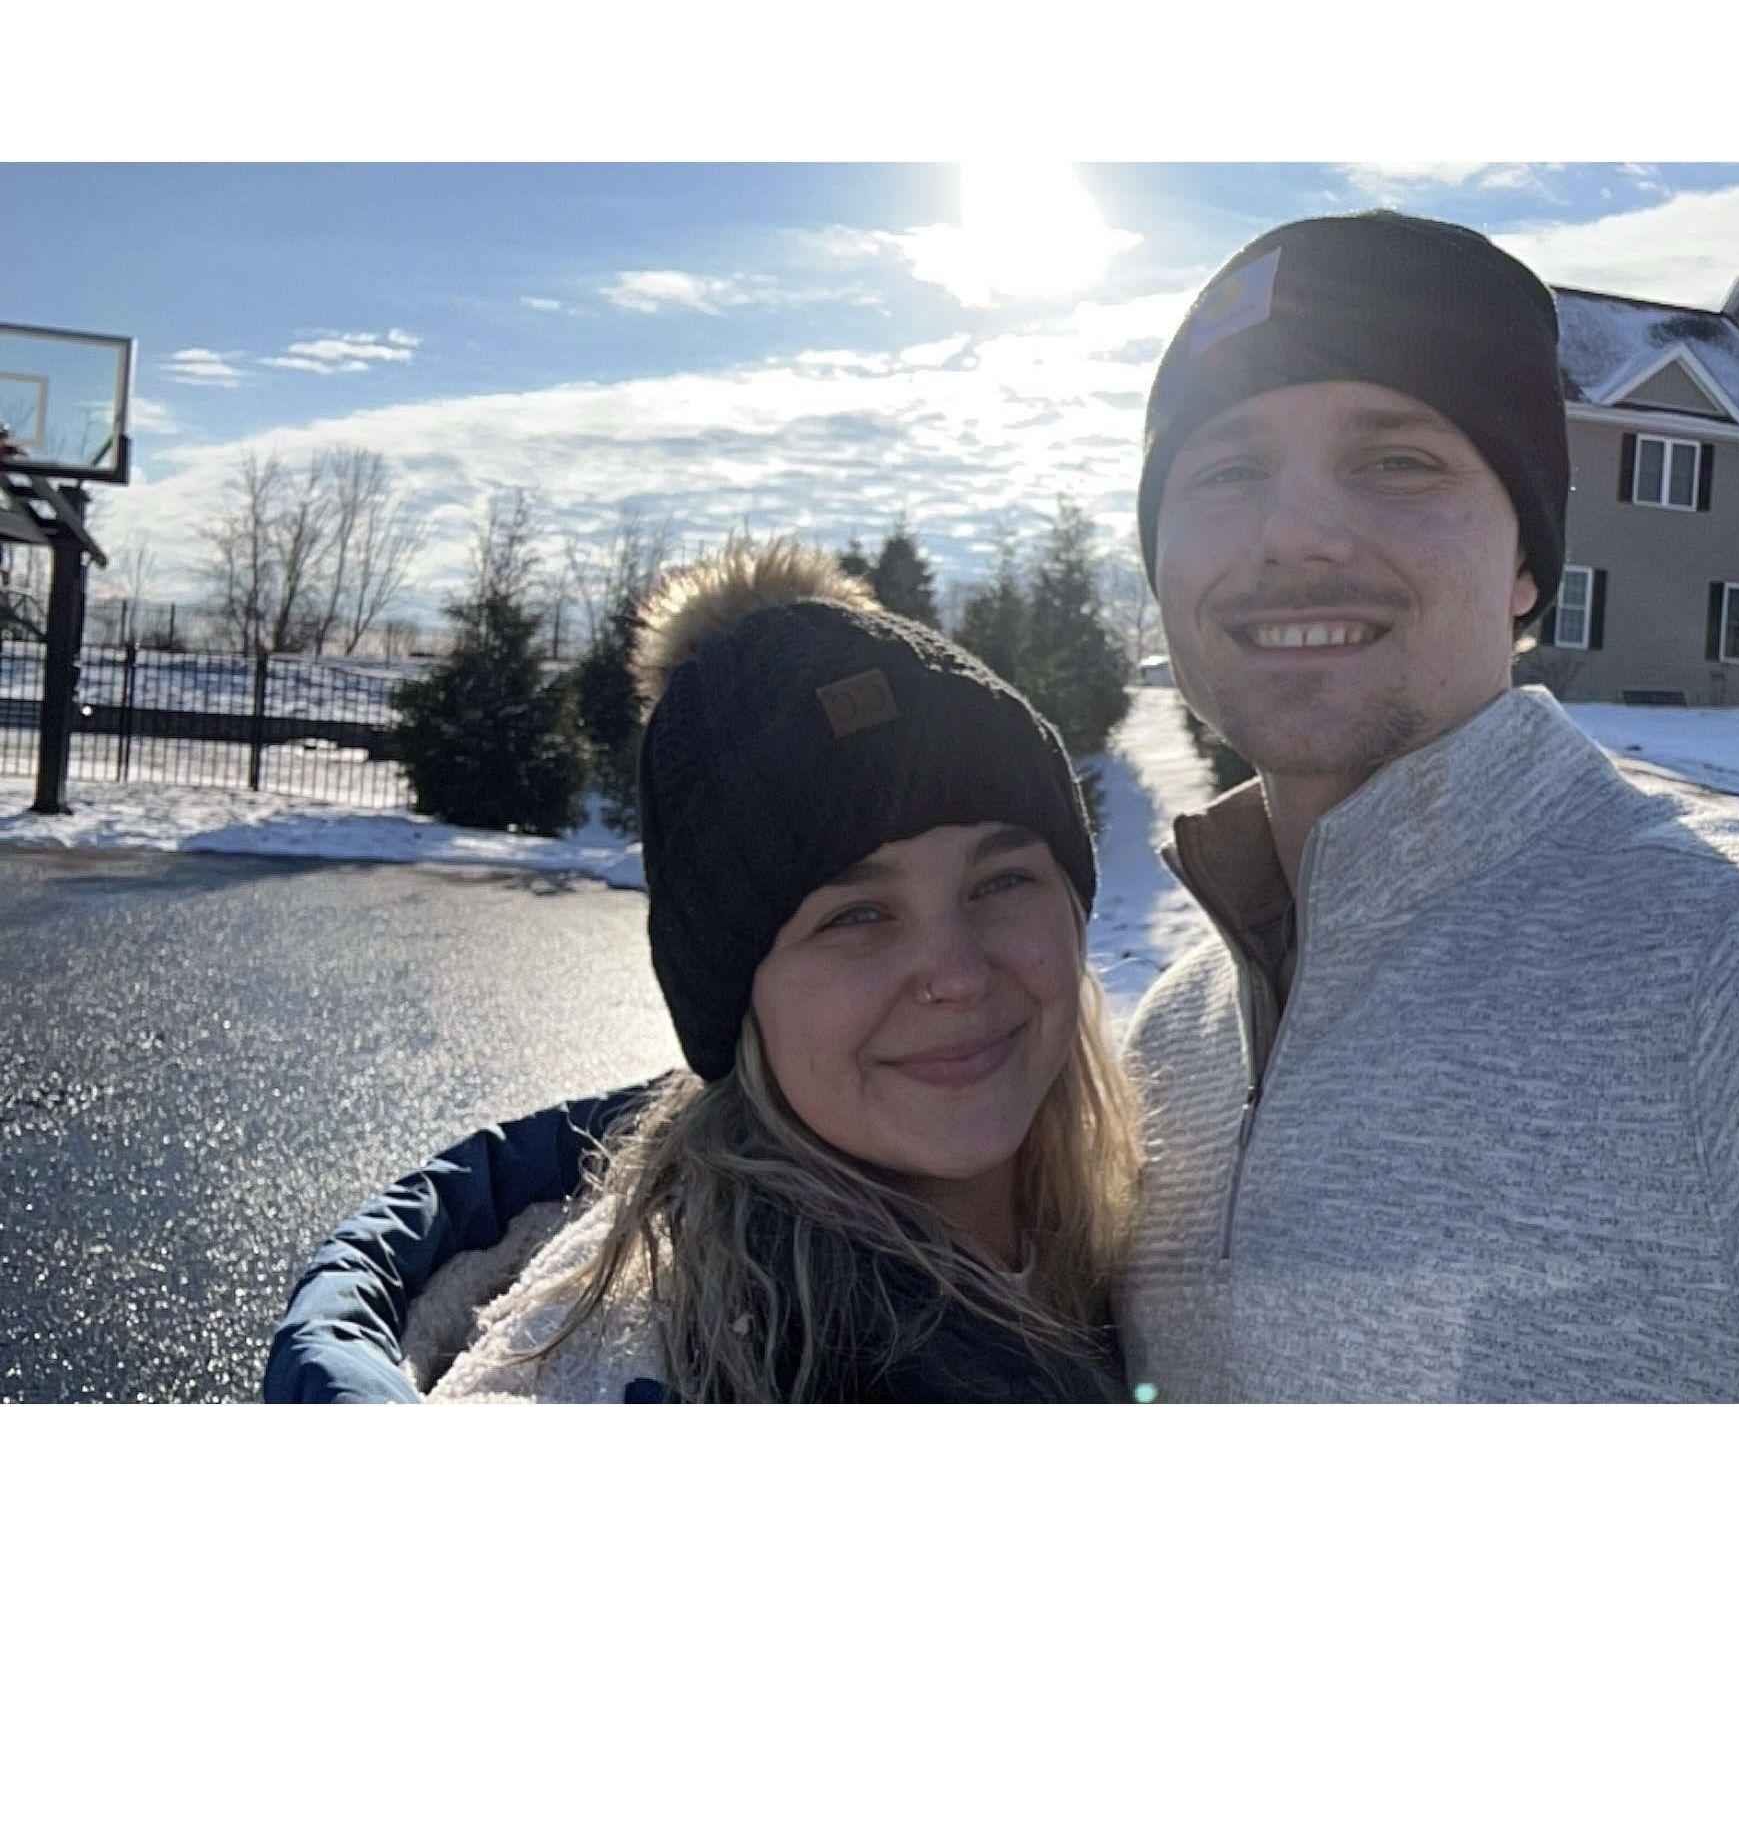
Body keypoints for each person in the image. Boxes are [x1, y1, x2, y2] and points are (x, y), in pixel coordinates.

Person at [281, 210, 1739, 1404]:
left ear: (1528, 565)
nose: (1297, 530)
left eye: (1398, 458)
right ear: (1162, 565)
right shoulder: (1170, 1063)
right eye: (1225, 470)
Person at [265, 537, 1140, 1402]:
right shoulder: (637, 1370)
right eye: (856, 916)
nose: (957, 973)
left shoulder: (1162, 1228)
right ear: (733, 997)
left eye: (1002, 880)